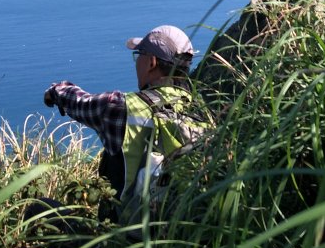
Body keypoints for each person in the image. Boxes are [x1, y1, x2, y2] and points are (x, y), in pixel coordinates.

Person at [43, 24, 211, 222]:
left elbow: (79, 102)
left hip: (121, 233)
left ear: (151, 62)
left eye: (139, 54)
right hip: (177, 231)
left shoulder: (121, 107)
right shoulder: (201, 112)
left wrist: (55, 91)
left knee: (40, 208)